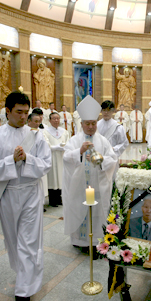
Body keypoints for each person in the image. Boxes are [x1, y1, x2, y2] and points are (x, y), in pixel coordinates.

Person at [0, 91, 51, 301]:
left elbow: (46, 164)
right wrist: (11, 160)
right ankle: (24, 275)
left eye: (26, 112)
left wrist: (27, 160)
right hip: (9, 194)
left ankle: (22, 296)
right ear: (7, 111)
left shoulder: (37, 136)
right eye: (18, 112)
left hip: (31, 192)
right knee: (13, 243)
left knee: (29, 243)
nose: (23, 117)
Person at [62, 96, 117, 251]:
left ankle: (96, 242)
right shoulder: (74, 140)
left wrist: (100, 160)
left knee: (97, 212)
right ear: (82, 124)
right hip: (79, 188)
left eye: (93, 123)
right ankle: (79, 241)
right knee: (79, 208)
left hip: (98, 188)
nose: (91, 127)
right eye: (88, 123)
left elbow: (113, 160)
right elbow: (66, 157)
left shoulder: (103, 141)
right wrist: (79, 152)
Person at [43, 112, 70, 207]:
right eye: (54, 118)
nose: (56, 120)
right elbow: (46, 144)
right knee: (53, 177)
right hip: (52, 156)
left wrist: (65, 147)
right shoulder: (46, 132)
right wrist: (55, 147)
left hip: (62, 157)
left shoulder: (64, 131)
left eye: (58, 118)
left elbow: (68, 142)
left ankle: (59, 198)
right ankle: (52, 200)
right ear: (50, 120)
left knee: (61, 177)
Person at [98, 100, 129, 179]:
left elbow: (124, 143)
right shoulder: (96, 125)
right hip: (99, 157)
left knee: (111, 179)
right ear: (101, 111)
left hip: (112, 157)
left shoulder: (118, 127)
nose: (106, 113)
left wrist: (114, 149)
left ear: (113, 111)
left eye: (109, 110)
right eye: (104, 110)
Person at [28, 112, 49, 203]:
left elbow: (46, 144)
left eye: (39, 122)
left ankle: (41, 201)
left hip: (40, 162)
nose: (37, 124)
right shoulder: (25, 133)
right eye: (35, 121)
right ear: (29, 121)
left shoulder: (41, 133)